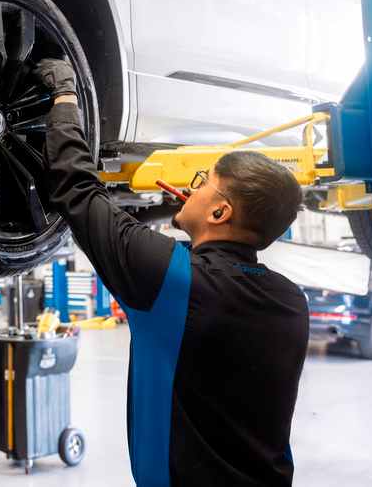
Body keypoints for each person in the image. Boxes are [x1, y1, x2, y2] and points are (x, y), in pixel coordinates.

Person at [33, 58, 309, 487]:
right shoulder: (292, 301)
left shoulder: (175, 282)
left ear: (220, 210)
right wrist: (189, 219)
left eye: (203, 182)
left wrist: (65, 94)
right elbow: (208, 272)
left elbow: (78, 191)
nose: (193, 187)